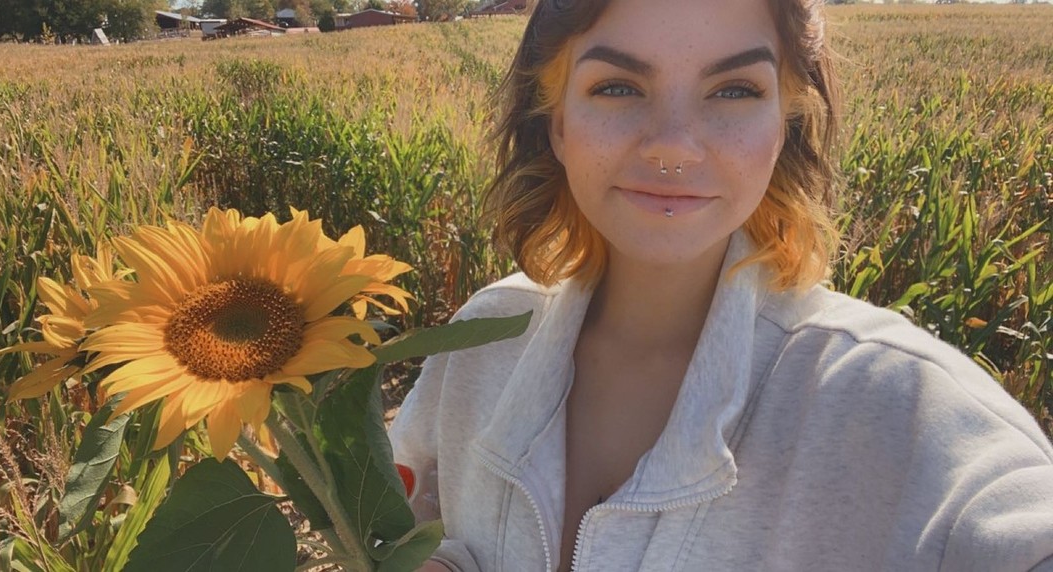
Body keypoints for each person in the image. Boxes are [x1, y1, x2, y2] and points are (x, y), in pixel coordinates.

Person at [389, 0, 1053, 570]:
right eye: (617, 87)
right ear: (558, 122)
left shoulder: (893, 400)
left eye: (734, 90)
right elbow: (403, 517)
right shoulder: (481, 342)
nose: (673, 146)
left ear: (784, 123)